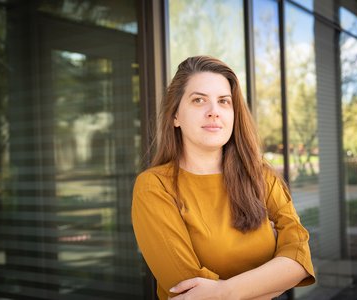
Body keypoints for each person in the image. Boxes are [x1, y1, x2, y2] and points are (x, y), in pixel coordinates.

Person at [132, 55, 315, 300]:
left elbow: (300, 260)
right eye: (199, 100)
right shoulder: (154, 187)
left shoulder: (261, 176)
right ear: (175, 115)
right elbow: (188, 292)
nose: (214, 112)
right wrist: (272, 276)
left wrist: (224, 291)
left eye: (224, 101)